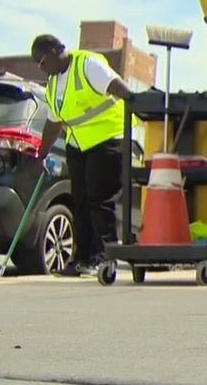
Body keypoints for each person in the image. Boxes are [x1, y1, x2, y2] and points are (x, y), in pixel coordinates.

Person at [31, 34, 138, 277]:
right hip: (78, 145)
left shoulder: (87, 64)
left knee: (99, 199)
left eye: (42, 61)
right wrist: (41, 155)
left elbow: (119, 88)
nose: (41, 68)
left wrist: (139, 105)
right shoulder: (53, 84)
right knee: (80, 202)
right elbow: (53, 123)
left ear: (56, 50)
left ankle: (103, 257)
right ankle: (81, 259)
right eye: (38, 64)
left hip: (108, 139)